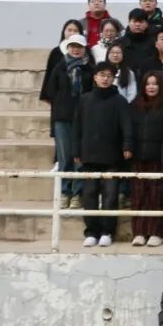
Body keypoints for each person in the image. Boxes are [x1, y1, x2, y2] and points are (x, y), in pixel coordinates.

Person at [73, 61, 133, 247]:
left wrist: (127, 146)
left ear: (113, 78)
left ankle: (107, 231)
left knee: (110, 196)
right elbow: (77, 126)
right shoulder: (85, 99)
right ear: (95, 77)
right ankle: (91, 231)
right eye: (102, 75)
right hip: (89, 155)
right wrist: (76, 150)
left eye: (109, 76)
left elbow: (127, 126)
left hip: (112, 156)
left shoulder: (119, 101)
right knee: (89, 195)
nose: (105, 79)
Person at [46, 32, 93, 208]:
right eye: (73, 46)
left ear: (84, 49)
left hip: (83, 118)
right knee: (65, 156)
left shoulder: (90, 69)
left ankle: (77, 193)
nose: (76, 50)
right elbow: (51, 93)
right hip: (62, 117)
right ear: (68, 48)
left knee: (79, 157)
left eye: (79, 47)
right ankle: (65, 191)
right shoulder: (59, 68)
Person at [130, 71, 163, 247]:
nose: (151, 87)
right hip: (138, 156)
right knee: (138, 195)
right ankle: (139, 232)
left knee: (156, 195)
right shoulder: (135, 105)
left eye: (154, 83)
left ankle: (157, 232)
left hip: (159, 157)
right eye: (148, 84)